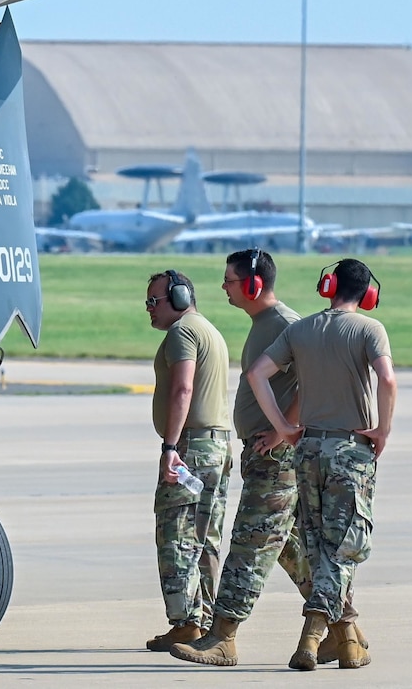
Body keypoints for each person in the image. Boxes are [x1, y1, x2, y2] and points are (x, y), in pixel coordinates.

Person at [245, 257, 396, 671]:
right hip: (351, 451)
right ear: (368, 295)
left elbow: (257, 374)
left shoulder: (300, 330)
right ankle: (312, 635)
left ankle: (345, 641)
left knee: (320, 549)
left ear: (328, 286)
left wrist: (284, 426)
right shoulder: (370, 329)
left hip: (307, 449)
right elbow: (387, 380)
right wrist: (382, 430)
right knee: (344, 547)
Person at [171, 249, 311, 666]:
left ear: (253, 285)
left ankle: (223, 637)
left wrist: (285, 429)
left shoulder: (286, 325)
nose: (224, 287)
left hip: (277, 460)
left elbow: (314, 383)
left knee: (250, 544)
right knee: (291, 548)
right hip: (261, 455)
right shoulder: (263, 325)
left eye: (230, 281)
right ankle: (343, 627)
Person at [143, 269, 233, 653]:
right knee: (206, 538)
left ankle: (185, 622)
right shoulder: (209, 329)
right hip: (218, 446)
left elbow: (183, 388)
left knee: (176, 535)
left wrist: (170, 446)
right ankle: (207, 619)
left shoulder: (182, 332)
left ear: (179, 298)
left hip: (192, 446)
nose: (148, 309)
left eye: (154, 301)